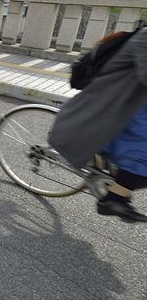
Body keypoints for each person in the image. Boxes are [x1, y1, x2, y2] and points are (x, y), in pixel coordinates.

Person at [49, 27, 147, 222]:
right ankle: (114, 198)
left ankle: (117, 185)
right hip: (116, 103)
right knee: (142, 158)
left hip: (132, 101)